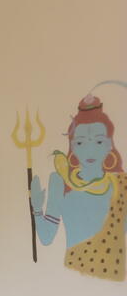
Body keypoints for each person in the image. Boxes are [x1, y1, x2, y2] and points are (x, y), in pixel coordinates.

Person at [31, 94, 126, 281]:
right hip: (73, 276)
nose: (89, 150)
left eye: (98, 141)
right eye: (81, 142)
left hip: (115, 281)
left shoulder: (122, 184)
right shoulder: (59, 181)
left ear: (109, 144)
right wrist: (36, 208)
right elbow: (46, 238)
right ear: (72, 146)